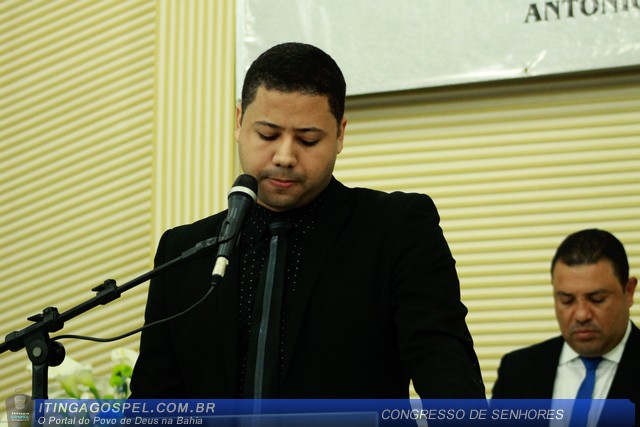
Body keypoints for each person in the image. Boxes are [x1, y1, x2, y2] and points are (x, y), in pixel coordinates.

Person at [129, 42, 485, 399]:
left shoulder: (396, 229)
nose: (284, 157)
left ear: (340, 134)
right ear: (239, 122)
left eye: (308, 139)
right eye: (267, 135)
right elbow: (152, 403)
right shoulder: (183, 251)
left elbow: (447, 372)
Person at [492, 228, 639, 402]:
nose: (582, 315)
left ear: (628, 291)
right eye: (567, 300)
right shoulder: (516, 371)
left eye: (597, 299)